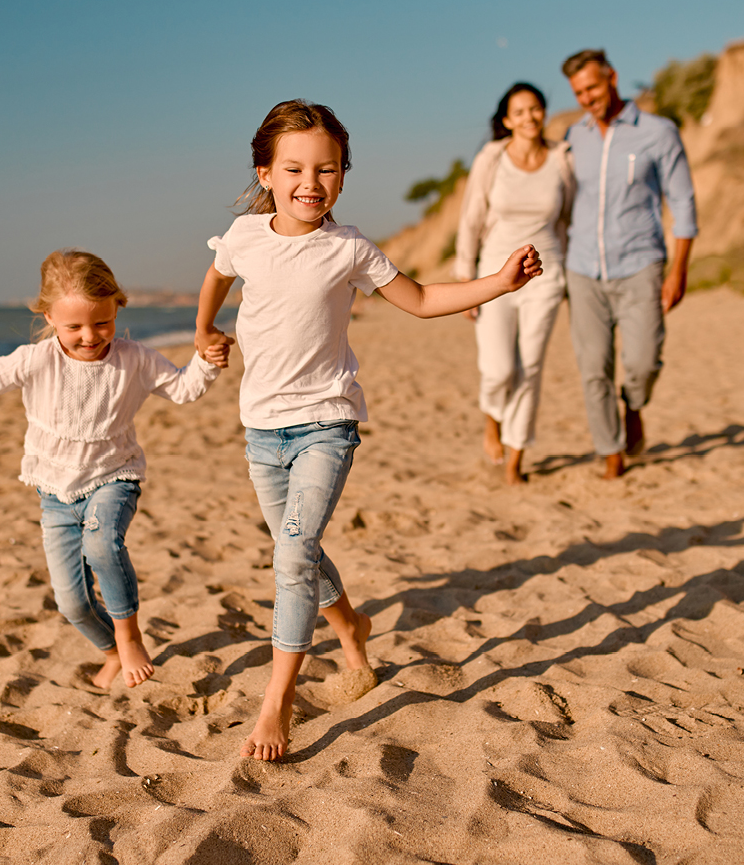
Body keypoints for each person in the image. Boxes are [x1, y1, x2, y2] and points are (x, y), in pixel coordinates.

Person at [194, 99, 542, 760]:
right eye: (294, 168)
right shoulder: (244, 236)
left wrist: (498, 282)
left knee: (292, 557)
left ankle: (278, 702)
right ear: (265, 172)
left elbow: (421, 301)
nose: (311, 183)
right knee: (303, 553)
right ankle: (350, 628)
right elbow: (216, 275)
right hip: (261, 431)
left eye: (327, 169)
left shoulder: (348, 247)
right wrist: (203, 329)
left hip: (328, 421)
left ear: (343, 175)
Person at [0, 249, 230, 688]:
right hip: (55, 493)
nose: (90, 336)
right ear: (48, 316)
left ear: (118, 305)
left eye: (102, 323)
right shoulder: (34, 360)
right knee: (72, 605)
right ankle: (111, 651)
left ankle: (130, 635)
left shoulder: (135, 358)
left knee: (101, 545)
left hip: (114, 477)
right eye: (73, 326)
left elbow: (183, 388)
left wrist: (207, 361)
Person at [561, 50, 698, 479]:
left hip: (641, 264)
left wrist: (679, 269)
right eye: (579, 92)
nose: (587, 98)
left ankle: (634, 404)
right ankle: (611, 450)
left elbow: (683, 201)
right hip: (583, 269)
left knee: (642, 362)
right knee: (593, 367)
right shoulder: (572, 137)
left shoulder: (658, 133)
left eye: (593, 88)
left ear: (612, 78)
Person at [455, 82, 576, 484]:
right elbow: (471, 219)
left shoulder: (561, 157)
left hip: (546, 273)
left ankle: (516, 457)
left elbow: (568, 218)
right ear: (507, 120)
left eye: (535, 109)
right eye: (519, 111)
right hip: (494, 273)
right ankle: (492, 421)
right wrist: (465, 280)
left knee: (532, 367)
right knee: (499, 368)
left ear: (544, 113)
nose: (529, 117)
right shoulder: (491, 158)